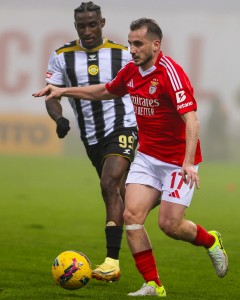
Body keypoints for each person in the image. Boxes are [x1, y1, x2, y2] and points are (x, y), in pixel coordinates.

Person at [33, 18, 228, 297]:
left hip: (176, 161)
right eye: (130, 43)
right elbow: (104, 90)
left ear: (155, 45)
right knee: (131, 215)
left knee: (169, 225)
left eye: (138, 44)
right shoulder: (131, 72)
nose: (132, 49)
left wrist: (187, 162)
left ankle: (211, 241)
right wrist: (62, 91)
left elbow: (192, 119)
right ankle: (153, 284)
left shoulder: (170, 73)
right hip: (148, 158)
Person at [42, 2, 138, 282]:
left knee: (109, 183)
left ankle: (111, 261)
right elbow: (52, 95)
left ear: (102, 23)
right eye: (82, 26)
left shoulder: (123, 54)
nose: (88, 30)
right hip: (92, 139)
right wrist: (59, 119)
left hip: (123, 127)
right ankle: (158, 196)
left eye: (92, 24)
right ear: (76, 27)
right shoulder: (61, 56)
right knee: (124, 198)